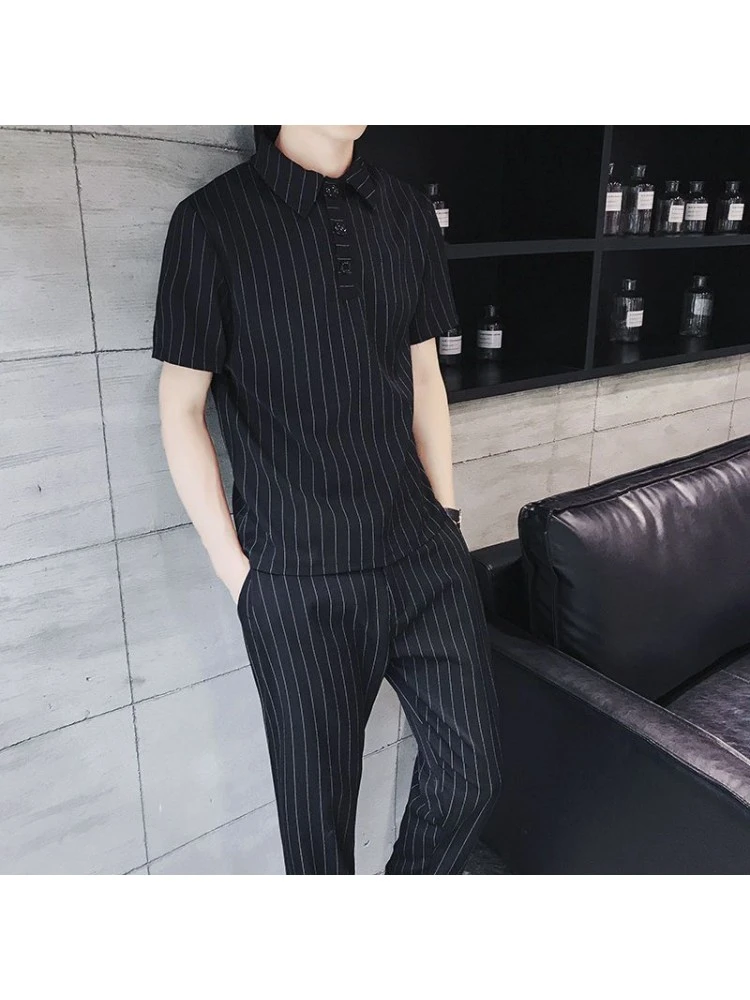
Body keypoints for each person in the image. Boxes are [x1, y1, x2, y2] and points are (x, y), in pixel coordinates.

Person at [151, 124, 503, 875]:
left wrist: (446, 516)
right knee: (318, 838)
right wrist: (238, 574)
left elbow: (425, 377)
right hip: (298, 579)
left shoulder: (405, 211)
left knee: (473, 776)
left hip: (423, 554)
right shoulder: (212, 222)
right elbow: (181, 407)